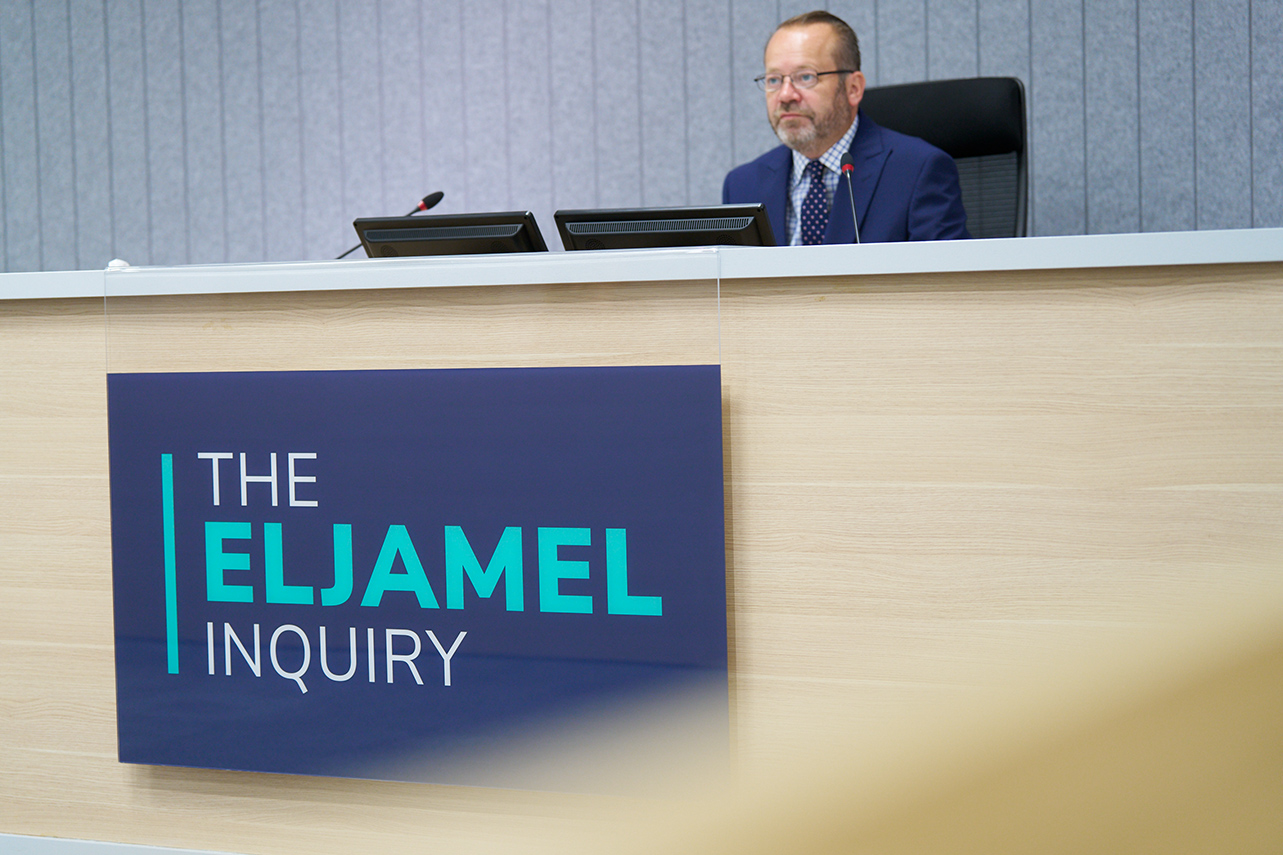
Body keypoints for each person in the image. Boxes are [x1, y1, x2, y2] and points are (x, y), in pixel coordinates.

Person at [723, 11, 969, 245]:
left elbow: (946, 284)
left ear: (853, 88)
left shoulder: (919, 171)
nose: (786, 95)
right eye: (774, 80)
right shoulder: (743, 185)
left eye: (805, 77)